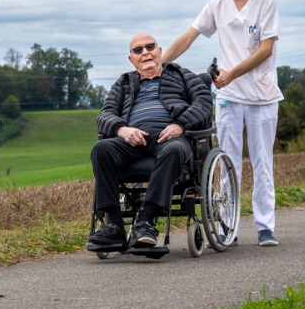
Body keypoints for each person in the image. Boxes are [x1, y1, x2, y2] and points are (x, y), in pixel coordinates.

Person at [162, 0, 283, 246]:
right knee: (227, 161)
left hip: (262, 96)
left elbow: (266, 50)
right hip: (229, 95)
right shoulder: (216, 5)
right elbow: (188, 38)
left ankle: (265, 227)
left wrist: (233, 74)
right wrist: (159, 63)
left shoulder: (265, 3)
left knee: (262, 162)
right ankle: (229, 225)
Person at [88, 33, 212, 249]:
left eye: (150, 47)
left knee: (174, 150)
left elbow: (203, 104)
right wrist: (122, 129)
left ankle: (146, 221)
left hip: (169, 137)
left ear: (159, 50)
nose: (145, 52)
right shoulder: (124, 83)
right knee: (101, 149)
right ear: (131, 59)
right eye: (138, 50)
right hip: (132, 139)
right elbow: (104, 115)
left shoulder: (183, 75)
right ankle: (115, 227)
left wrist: (180, 125)